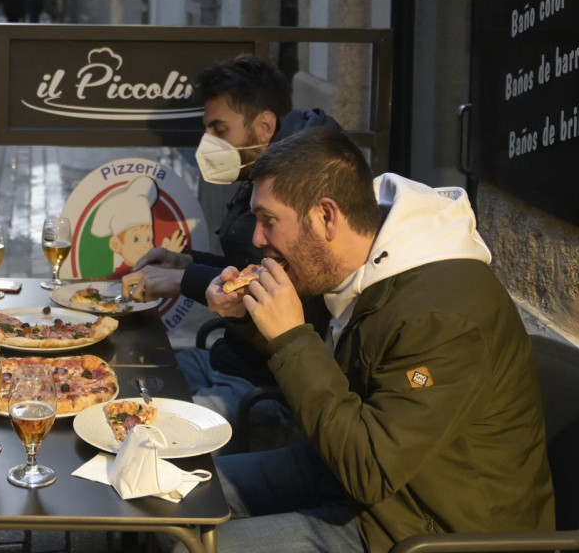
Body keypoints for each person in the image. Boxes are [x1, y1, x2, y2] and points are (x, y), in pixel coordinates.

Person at [205, 127, 554, 553]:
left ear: (326, 216)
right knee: (173, 498)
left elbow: (370, 469)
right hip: (345, 473)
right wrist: (248, 316)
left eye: (269, 221)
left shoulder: (443, 316)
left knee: (193, 547)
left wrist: (291, 338)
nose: (257, 239)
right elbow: (303, 361)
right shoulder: (352, 267)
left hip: (426, 528)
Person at [120, 55, 338, 420]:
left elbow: (268, 282)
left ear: (265, 126)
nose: (208, 144)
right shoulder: (263, 170)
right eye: (206, 131)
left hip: (264, 382)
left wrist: (182, 279)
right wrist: (188, 261)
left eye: (220, 131)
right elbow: (250, 268)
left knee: (145, 431)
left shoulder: (300, 187)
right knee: (119, 377)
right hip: (229, 357)